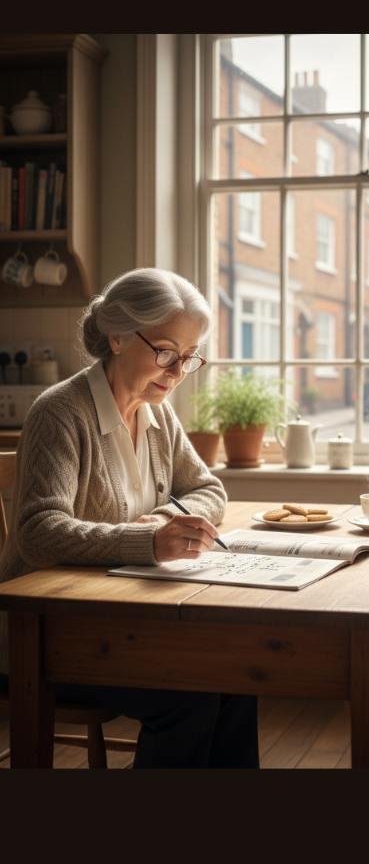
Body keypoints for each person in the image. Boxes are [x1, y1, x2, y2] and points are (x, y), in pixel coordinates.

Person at [0, 268, 259, 768]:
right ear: (117, 336)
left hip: (121, 620)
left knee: (238, 672)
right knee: (190, 699)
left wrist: (158, 522)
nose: (177, 371)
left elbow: (208, 489)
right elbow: (38, 532)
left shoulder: (158, 413)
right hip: (45, 632)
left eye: (189, 357)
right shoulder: (60, 412)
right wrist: (146, 543)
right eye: (165, 352)